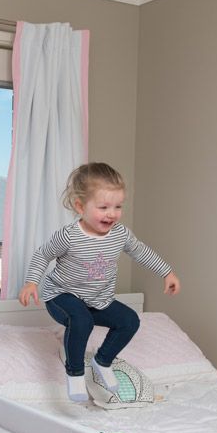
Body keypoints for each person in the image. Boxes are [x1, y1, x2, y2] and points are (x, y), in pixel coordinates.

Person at [18, 162, 180, 403]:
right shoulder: (69, 235)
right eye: (103, 207)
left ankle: (102, 361)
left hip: (97, 299)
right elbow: (43, 254)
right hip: (62, 296)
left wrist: (166, 272)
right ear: (80, 206)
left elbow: (140, 251)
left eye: (117, 206)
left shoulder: (120, 234)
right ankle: (74, 373)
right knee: (81, 319)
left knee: (129, 320)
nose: (111, 213)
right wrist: (32, 282)